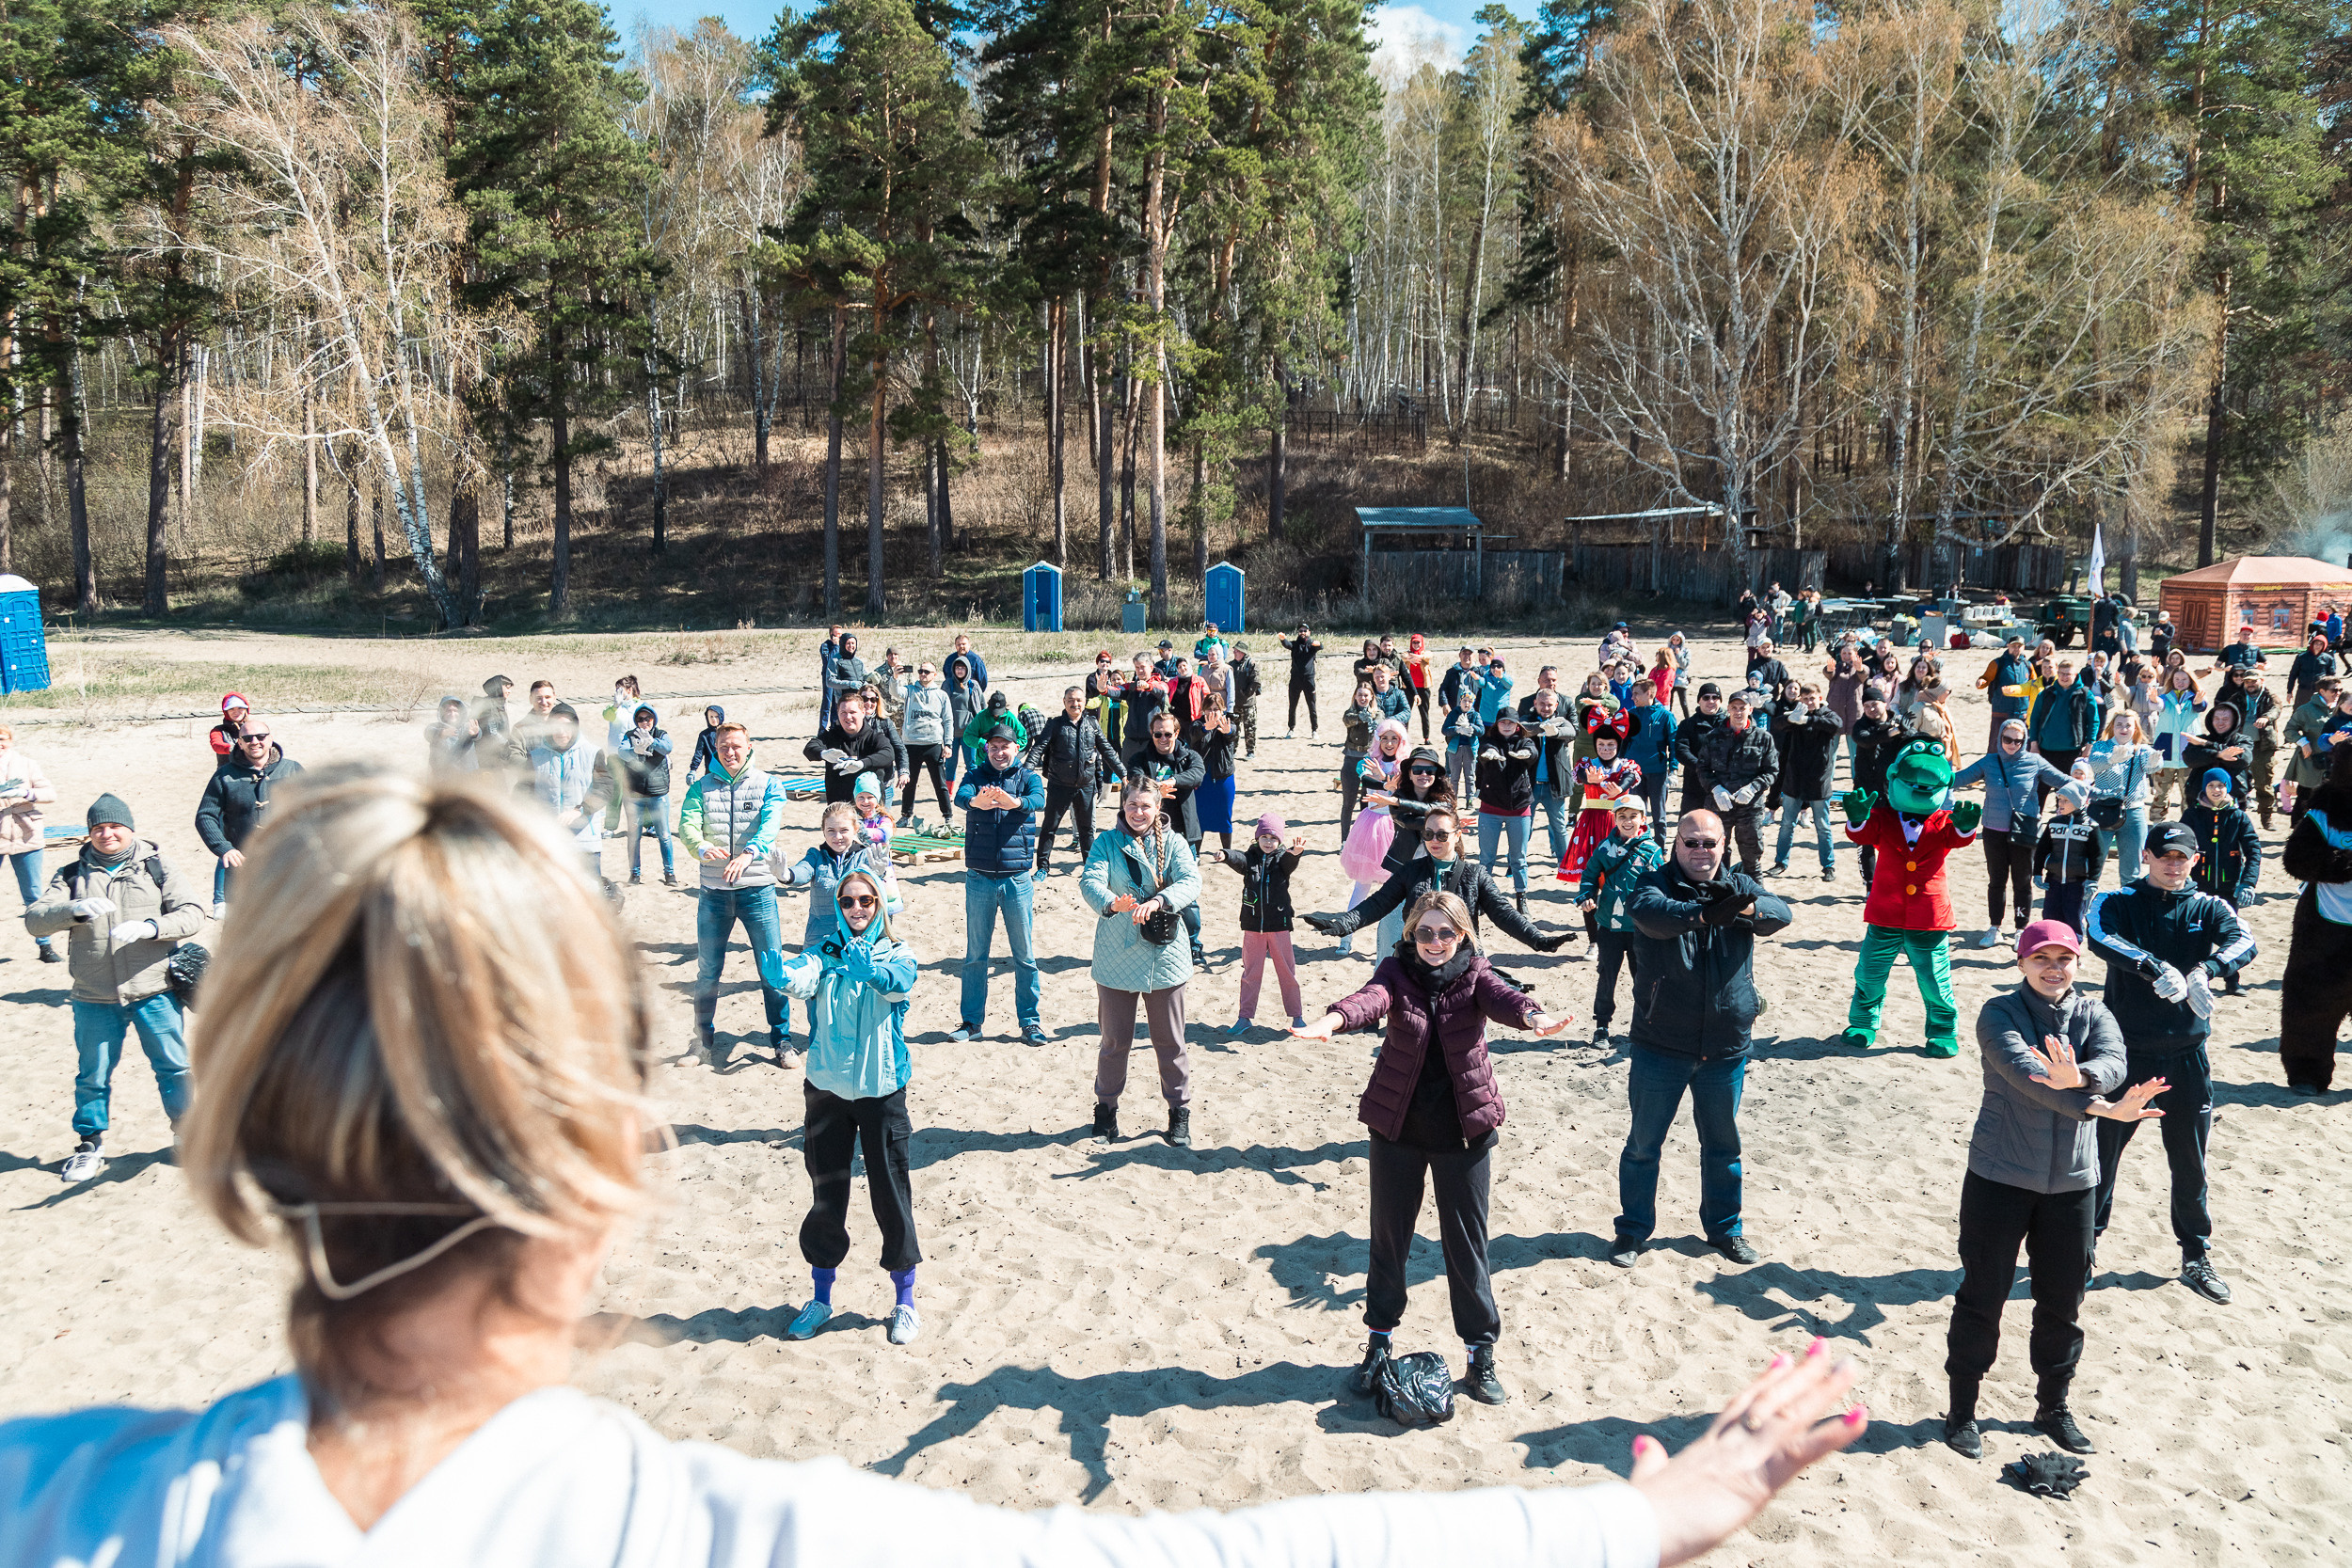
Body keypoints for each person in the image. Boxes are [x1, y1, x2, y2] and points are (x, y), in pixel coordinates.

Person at [0, 768, 1874, 1564]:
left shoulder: (49, 1497)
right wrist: (1636, 1510)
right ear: (613, 1161)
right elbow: (1243, 1556)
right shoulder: (740, 1533)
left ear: (239, 1125)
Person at [1293, 890, 1573, 1407]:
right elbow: (1369, 1000)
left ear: (1463, 935)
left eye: (1446, 932)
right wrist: (1331, 1021)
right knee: (1387, 1245)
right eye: (1425, 932)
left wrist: (1535, 1016)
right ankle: (1378, 1342)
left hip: (1464, 1133)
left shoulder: (1477, 974)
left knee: (1467, 1247)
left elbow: (1506, 998)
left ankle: (1479, 1353)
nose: (1436, 942)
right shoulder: (1396, 972)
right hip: (1399, 1130)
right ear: (1410, 935)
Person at [1942, 920, 2161, 1460]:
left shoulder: (2095, 1012)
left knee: (2063, 1301)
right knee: (1983, 1296)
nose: (2053, 968)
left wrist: (2083, 1078)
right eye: (2042, 958)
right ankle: (1962, 1410)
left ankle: (2053, 1406)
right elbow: (2026, 1076)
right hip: (2000, 1176)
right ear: (2021, 963)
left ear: (2079, 965)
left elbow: (2114, 1062)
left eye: (2064, 959)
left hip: (2073, 1182)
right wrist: (2102, 1106)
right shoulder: (1999, 1013)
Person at [2084, 821, 2255, 1305]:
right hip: (2123, 1056)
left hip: (2187, 1059)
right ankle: (2083, 1247)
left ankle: (2195, 1255)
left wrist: (2208, 970)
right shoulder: (2117, 901)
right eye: (2165, 855)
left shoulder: (2211, 906)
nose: (2173, 864)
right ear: (2147, 856)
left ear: (2196, 860)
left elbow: (2244, 941)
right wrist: (2153, 966)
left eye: (2183, 856)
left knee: (2190, 1163)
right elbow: (2097, 935)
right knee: (2099, 1158)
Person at [1613, 810, 1792, 1268]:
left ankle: (1725, 1231)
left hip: (1726, 1046)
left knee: (1723, 1147)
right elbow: (1651, 917)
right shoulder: (1651, 881)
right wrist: (1703, 914)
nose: (1700, 851)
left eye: (1709, 843)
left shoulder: (1739, 885)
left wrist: (1743, 908)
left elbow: (1780, 913)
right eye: (1690, 842)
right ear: (1675, 844)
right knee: (1642, 1146)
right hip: (1661, 1043)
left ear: (1723, 845)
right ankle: (1632, 1232)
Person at [764, 867, 924, 1347]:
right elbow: (805, 974)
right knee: (826, 1195)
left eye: (866, 900)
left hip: (880, 1089)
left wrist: (871, 971)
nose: (857, 908)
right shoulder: (826, 949)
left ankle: (905, 1301)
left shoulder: (898, 951)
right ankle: (820, 1297)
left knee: (890, 1195)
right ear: (838, 904)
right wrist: (783, 975)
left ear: (880, 905)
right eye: (849, 900)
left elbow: (900, 982)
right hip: (828, 1088)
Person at [23, 793, 202, 1183]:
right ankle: (89, 1146)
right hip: (93, 996)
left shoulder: (157, 867)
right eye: (98, 828)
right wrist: (72, 910)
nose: (106, 834)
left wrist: (153, 927)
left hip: (154, 990)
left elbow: (191, 914)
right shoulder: (71, 874)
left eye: (114, 826)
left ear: (129, 829)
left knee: (174, 1069)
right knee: (93, 1074)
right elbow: (35, 920)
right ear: (89, 833)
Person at [1082, 776, 1201, 1147]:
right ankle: (1106, 1112)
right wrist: (1110, 903)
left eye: (1145, 806)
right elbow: (1090, 880)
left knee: (1170, 1042)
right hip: (1117, 953)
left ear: (1157, 809)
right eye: (1132, 805)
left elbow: (1190, 881)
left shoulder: (1176, 842)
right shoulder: (1106, 842)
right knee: (1114, 1041)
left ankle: (1178, 1113)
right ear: (1123, 805)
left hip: (1165, 955)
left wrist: (1160, 901)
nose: (1138, 812)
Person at [1305, 806, 1569, 963]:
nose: (1434, 839)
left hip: (1463, 959)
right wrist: (1341, 924)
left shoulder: (1475, 874)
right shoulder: (1411, 871)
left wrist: (1539, 940)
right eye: (1428, 834)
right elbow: (1377, 904)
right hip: (1417, 959)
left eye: (1442, 834)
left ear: (1457, 835)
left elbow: (1504, 913)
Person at [676, 721, 790, 1060]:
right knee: (708, 969)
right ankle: (703, 1040)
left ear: (749, 746)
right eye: (724, 746)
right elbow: (687, 824)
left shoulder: (769, 784)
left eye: (736, 746)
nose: (730, 752)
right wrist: (698, 846)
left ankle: (781, 1039)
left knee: (771, 968)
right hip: (714, 892)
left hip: (757, 890)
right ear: (715, 747)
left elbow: (769, 826)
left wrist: (749, 854)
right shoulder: (700, 787)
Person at [950, 725, 1048, 1047]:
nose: (999, 752)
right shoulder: (975, 775)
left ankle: (1030, 1023)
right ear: (987, 749)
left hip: (1017, 878)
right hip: (979, 877)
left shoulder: (1027, 776)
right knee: (976, 955)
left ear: (1016, 748)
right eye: (994, 746)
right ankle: (971, 1022)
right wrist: (976, 803)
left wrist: (1014, 802)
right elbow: (961, 797)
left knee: (1025, 956)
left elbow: (1038, 799)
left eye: (1005, 746)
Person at [1952, 718, 2071, 945]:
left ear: (2025, 741)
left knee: (2022, 881)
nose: (2012, 744)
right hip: (1993, 830)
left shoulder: (2035, 762)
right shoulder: (1989, 761)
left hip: (2024, 832)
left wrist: (2097, 791)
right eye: (2007, 739)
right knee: (1996, 880)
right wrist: (1930, 777)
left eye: (2018, 740)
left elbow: (2064, 782)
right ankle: (1994, 927)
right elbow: (1959, 779)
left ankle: (2020, 929)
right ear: (2000, 738)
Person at [2280, 742, 2352, 1093]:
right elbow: (2297, 861)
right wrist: (2347, 864)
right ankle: (2307, 1071)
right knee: (2311, 1004)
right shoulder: (2323, 812)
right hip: (2324, 929)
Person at [197, 718, 307, 913]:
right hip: (243, 871)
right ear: (239, 743)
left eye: (260, 736)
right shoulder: (224, 776)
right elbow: (205, 816)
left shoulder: (292, 770)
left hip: (286, 866)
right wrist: (224, 848)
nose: (254, 742)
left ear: (270, 739)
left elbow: (314, 809)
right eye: (247, 738)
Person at [1579, 800, 1663, 1047]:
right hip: (1609, 926)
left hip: (1641, 928)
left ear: (1643, 819)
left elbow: (1661, 884)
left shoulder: (1652, 849)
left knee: (1644, 979)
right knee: (1607, 977)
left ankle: (1646, 1025)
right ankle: (1602, 1026)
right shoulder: (1605, 848)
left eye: (1633, 816)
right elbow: (1589, 875)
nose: (1628, 821)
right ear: (1614, 819)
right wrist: (1587, 895)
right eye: (1622, 816)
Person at [1214, 815, 1307, 1035]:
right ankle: (1244, 1018)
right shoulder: (1251, 859)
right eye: (1264, 837)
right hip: (1253, 927)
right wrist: (1225, 854)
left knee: (1287, 973)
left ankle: (1297, 1017)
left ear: (1279, 841)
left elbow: (1289, 861)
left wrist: (1296, 854)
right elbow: (1238, 858)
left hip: (1279, 926)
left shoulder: (1283, 859)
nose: (1268, 842)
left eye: (1273, 838)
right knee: (1250, 974)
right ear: (1257, 838)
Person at [1339, 719, 1413, 955]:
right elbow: (1367, 780)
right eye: (1385, 738)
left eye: (1394, 738)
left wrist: (1389, 782)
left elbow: (1403, 792)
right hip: (1371, 826)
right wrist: (1383, 779)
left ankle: (1398, 939)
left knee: (1397, 886)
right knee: (1362, 885)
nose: (1389, 743)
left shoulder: (1406, 765)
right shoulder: (1368, 761)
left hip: (1395, 826)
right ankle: (1346, 937)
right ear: (1378, 740)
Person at [2183, 768, 2261, 995]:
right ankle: (2195, 978)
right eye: (2211, 786)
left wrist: (2248, 882)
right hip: (2199, 886)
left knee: (2231, 934)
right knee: (2196, 932)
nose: (2216, 790)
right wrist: (2184, 877)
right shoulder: (2192, 815)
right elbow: (2181, 845)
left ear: (2228, 788)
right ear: (2203, 789)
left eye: (2220, 785)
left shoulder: (2238, 816)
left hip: (2229, 887)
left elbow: (2253, 851)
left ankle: (2232, 980)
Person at [1032, 685, 1123, 874]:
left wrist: (1123, 773)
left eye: (1079, 700)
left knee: (1086, 830)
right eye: (1071, 700)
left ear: (1085, 703)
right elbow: (1038, 749)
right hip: (1059, 785)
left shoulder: (1092, 724)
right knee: (1049, 827)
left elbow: (1107, 751)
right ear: (1064, 702)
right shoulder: (1055, 724)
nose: (1075, 704)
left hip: (1085, 785)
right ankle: (1042, 868)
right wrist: (1024, 772)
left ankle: (1089, 867)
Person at [1767, 685, 1842, 881]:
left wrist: (1809, 719)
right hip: (1795, 778)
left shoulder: (1826, 715)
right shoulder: (1796, 714)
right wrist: (1790, 718)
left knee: (1822, 825)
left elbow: (1835, 725)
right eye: (1805, 699)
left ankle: (1829, 866)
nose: (1809, 703)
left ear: (1820, 698)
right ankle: (1780, 862)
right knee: (1787, 824)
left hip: (1819, 780)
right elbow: (1777, 724)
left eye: (1812, 699)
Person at [0, 721, 61, 962]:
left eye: (2, 739)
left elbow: (50, 794)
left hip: (26, 834)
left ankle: (45, 946)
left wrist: (25, 793)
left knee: (34, 894)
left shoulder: (26, 764)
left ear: (10, 740)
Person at [1697, 693, 1777, 878]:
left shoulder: (1763, 738)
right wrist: (1715, 789)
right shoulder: (1713, 737)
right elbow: (1702, 768)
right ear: (1728, 709)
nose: (1738, 712)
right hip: (1719, 803)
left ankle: (1756, 901)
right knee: (1716, 854)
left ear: (1750, 710)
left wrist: (1753, 787)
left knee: (1752, 859)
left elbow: (1771, 771)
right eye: (1734, 707)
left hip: (1750, 807)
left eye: (1743, 708)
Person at [2082, 711, 2159, 885]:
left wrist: (2155, 761)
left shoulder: (2142, 749)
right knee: (2093, 866)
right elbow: (2094, 764)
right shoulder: (2101, 747)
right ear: (2112, 727)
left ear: (2135, 729)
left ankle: (2127, 907)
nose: (2123, 729)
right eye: (2119, 725)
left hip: (2133, 812)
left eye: (2128, 725)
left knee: (2131, 871)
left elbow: (2152, 766)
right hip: (2102, 810)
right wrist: (2111, 759)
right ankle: (2084, 907)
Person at [1474, 708, 1540, 912]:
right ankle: (1483, 898)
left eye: (1510, 723)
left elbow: (1533, 753)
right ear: (1496, 725)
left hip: (1519, 808)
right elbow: (1483, 752)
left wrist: (1526, 754)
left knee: (1518, 858)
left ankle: (1522, 899)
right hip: (1490, 808)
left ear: (1517, 725)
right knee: (1486, 858)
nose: (1506, 726)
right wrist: (1489, 755)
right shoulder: (1488, 741)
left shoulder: (1524, 742)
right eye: (1502, 722)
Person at [1560, 730, 1640, 885]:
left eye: (1611, 745)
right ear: (1595, 745)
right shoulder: (1587, 764)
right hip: (1592, 820)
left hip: (1618, 820)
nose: (1606, 749)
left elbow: (1629, 778)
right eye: (1601, 744)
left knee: (1617, 858)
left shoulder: (1625, 766)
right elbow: (1582, 775)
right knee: (1592, 859)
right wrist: (1589, 779)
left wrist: (1620, 788)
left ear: (1618, 745)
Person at [613, 705, 677, 886]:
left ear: (654, 720)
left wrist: (652, 742)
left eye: (647, 719)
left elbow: (668, 747)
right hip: (634, 794)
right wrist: (636, 750)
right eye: (640, 719)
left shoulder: (661, 734)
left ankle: (670, 874)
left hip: (658, 793)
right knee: (634, 835)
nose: (644, 722)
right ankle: (635, 874)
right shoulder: (629, 736)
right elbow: (621, 752)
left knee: (664, 835)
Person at [2034, 780, 2102, 936]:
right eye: (2059, 800)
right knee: (2050, 917)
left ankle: (2074, 956)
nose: (2060, 804)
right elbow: (2042, 850)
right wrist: (2037, 873)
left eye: (2066, 800)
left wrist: (2093, 880)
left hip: (2078, 883)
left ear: (2078, 802)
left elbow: (2096, 856)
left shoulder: (2090, 826)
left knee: (2074, 919)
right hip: (2054, 881)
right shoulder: (2053, 823)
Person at [806, 695, 898, 806]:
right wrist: (823, 754)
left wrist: (862, 763)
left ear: (863, 712)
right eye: (843, 712)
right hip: (839, 805)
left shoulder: (874, 737)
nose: (848, 717)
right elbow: (809, 747)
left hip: (869, 807)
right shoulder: (831, 736)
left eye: (852, 712)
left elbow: (888, 754)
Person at [898, 662, 956, 822]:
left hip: (933, 743)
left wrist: (948, 744)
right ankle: (906, 815)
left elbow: (948, 720)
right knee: (909, 783)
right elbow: (895, 692)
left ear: (934, 674)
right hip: (912, 743)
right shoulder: (910, 690)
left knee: (940, 783)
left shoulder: (941, 695)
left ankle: (948, 816)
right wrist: (896, 677)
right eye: (920, 671)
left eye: (926, 671)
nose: (923, 674)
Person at [2025, 658, 2101, 779]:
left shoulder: (2085, 695)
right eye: (2061, 673)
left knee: (2065, 794)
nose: (2064, 677)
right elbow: (2035, 719)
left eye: (2068, 674)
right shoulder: (2046, 694)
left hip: (2072, 751)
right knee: (2039, 792)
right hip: (2045, 750)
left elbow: (2094, 721)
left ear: (2075, 675)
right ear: (2057, 674)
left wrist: (2089, 745)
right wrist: (2034, 743)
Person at [1190, 691, 1242, 851]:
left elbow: (1233, 734)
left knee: (1224, 816)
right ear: (1203, 710)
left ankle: (1227, 852)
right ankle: (1196, 854)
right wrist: (1206, 729)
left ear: (1223, 710)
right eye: (1209, 709)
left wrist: (1228, 732)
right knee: (1199, 817)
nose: (1212, 712)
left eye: (1216, 709)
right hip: (1202, 779)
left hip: (1223, 777)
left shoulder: (1228, 724)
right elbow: (1193, 736)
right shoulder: (1197, 725)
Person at [2149, 669, 2204, 815]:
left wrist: (2198, 701)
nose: (2180, 682)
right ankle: (2157, 820)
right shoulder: (2166, 698)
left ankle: (2188, 823)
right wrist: (2154, 700)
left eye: (2184, 679)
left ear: (2190, 681)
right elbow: (2158, 705)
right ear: (2172, 681)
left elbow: (2201, 706)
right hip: (2165, 752)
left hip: (2188, 754)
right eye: (2177, 679)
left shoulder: (2195, 698)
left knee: (2189, 794)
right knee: (2161, 792)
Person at [2182, 700, 2252, 804]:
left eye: (2225, 719)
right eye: (2217, 719)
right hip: (2199, 796)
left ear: (2234, 721)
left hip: (2234, 796)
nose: (2220, 723)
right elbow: (2189, 759)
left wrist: (2207, 744)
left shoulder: (2243, 740)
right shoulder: (2199, 739)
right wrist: (2218, 755)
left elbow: (2244, 759)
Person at [1279, 621, 1322, 736]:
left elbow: (1320, 646)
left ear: (1309, 632)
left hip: (1309, 680)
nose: (1302, 632)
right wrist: (1282, 639)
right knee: (1292, 705)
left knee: (1312, 705)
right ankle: (1291, 729)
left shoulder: (1312, 645)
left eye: (1305, 631)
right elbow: (1287, 644)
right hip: (1295, 680)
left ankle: (1314, 730)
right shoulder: (1295, 644)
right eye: (1300, 631)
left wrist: (1318, 644)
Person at [1442, 682, 1484, 801]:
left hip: (1470, 749)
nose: (1467, 703)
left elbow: (1481, 731)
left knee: (1469, 776)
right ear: (1460, 701)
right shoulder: (1453, 714)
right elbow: (1445, 730)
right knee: (1454, 777)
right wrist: (1457, 729)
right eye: (1464, 700)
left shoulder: (1475, 715)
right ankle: (1453, 800)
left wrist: (1471, 727)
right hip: (1455, 748)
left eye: (1469, 701)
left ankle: (1469, 799)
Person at [424, 696, 480, 775]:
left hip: (467, 774)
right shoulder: (435, 727)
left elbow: (478, 735)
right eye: (448, 711)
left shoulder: (467, 726)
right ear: (442, 712)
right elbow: (428, 733)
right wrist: (442, 733)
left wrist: (475, 734)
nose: (452, 714)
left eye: (455, 711)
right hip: (442, 776)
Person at [1229, 641, 1263, 755]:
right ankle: (1232, 751)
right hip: (1234, 704)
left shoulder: (1251, 664)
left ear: (1243, 652)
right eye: (1234, 650)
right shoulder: (1231, 665)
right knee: (1234, 729)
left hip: (1248, 704)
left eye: (1237, 651)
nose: (1235, 652)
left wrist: (1246, 694)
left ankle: (1250, 751)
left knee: (1250, 729)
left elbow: (1255, 682)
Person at [208, 693, 250, 768]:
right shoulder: (217, 731)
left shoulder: (254, 728)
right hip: (227, 774)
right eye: (231, 709)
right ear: (226, 712)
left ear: (245, 710)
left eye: (240, 708)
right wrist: (233, 748)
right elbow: (216, 745)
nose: (236, 712)